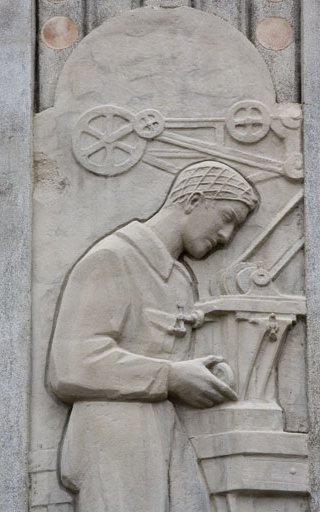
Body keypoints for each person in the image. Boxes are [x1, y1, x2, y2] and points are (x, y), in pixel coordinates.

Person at [46, 160, 260, 511]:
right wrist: (171, 376)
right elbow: (72, 364)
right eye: (226, 218)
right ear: (194, 200)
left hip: (162, 429)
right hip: (114, 437)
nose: (226, 237)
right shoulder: (112, 258)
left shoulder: (176, 277)